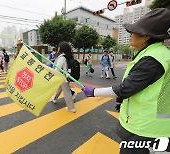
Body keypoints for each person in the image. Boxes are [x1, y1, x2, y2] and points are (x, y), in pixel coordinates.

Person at [82, 8, 170, 154]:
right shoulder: (161, 54)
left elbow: (125, 88)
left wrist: (94, 92)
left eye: (134, 31)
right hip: (159, 128)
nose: (130, 35)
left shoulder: (151, 59)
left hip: (145, 130)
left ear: (146, 36)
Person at [51, 41, 77, 112]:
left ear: (61, 48)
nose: (58, 49)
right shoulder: (68, 56)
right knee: (60, 88)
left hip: (63, 77)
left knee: (67, 93)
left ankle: (71, 108)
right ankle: (54, 98)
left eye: (59, 47)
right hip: (66, 76)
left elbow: (57, 69)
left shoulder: (61, 58)